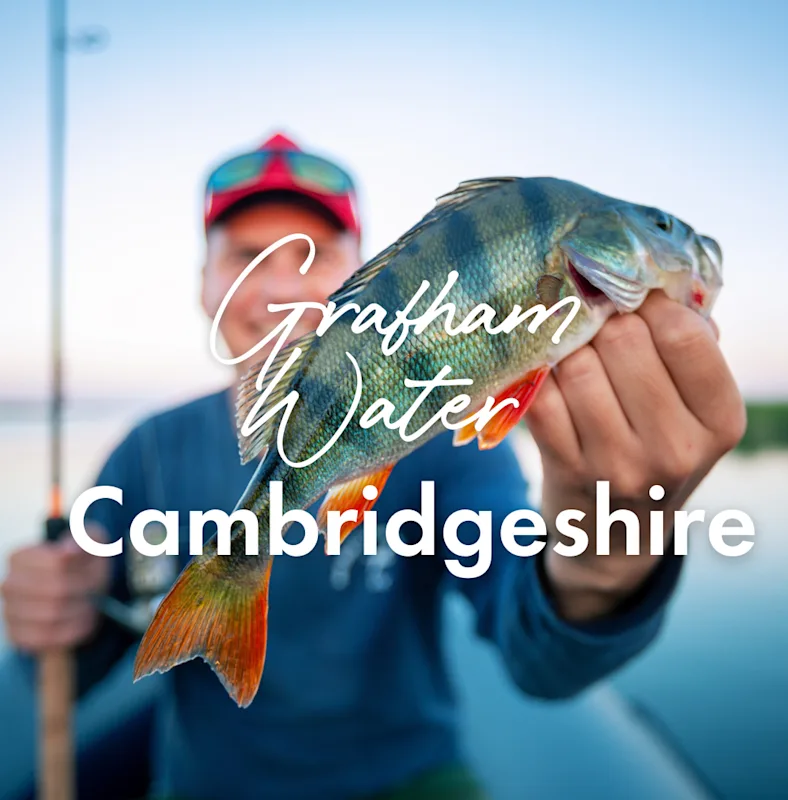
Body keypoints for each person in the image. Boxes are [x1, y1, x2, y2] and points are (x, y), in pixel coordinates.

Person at [0, 132, 746, 800]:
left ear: (367, 273)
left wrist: (607, 554)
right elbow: (64, 669)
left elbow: (541, 657)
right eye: (244, 255)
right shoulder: (147, 452)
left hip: (411, 776)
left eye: (313, 254)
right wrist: (65, 616)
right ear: (203, 282)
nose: (278, 286)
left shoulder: (449, 447)